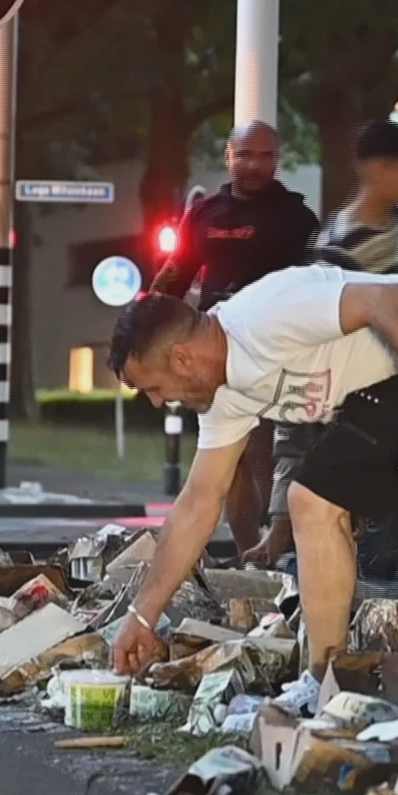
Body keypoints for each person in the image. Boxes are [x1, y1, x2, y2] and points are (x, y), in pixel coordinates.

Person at [105, 266, 398, 678]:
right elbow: (198, 503)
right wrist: (142, 618)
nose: (156, 401)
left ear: (182, 357)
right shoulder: (224, 398)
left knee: (313, 499)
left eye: (154, 386)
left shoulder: (262, 314)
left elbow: (386, 297)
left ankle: (325, 679)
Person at [247, 119, 398, 569]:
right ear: (378, 169)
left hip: (390, 389)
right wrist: (278, 529)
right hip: (352, 397)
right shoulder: (341, 246)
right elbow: (295, 431)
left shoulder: (393, 222)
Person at [148, 121, 320, 555]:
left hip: (274, 351)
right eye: (245, 155)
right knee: (231, 456)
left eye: (265, 156)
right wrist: (144, 318)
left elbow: (317, 287)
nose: (255, 165)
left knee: (264, 451)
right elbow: (176, 273)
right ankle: (250, 555)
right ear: (229, 156)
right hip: (212, 354)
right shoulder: (204, 214)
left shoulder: (297, 219)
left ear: (277, 160)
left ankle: (278, 549)